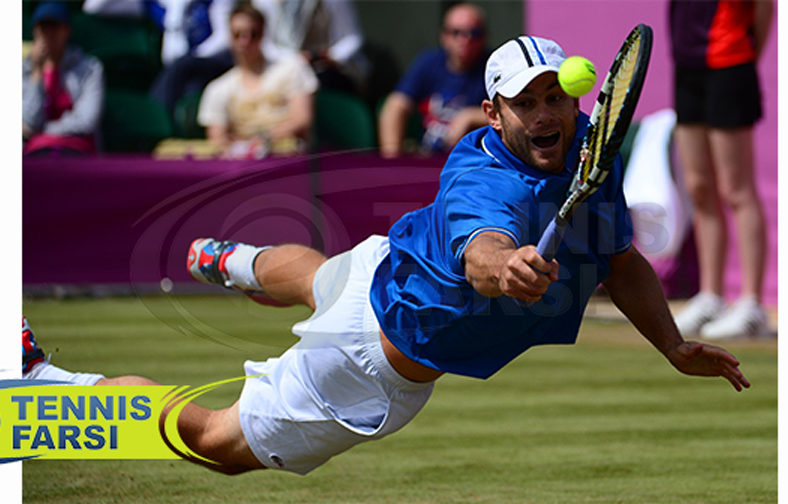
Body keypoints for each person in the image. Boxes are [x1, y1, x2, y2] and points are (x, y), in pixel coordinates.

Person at [23, 34, 750, 476]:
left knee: (321, 275)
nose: (543, 114)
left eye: (553, 98)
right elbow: (482, 251)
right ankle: (46, 382)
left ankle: (233, 260)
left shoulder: (590, 154)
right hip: (364, 360)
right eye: (523, 103)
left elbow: (621, 261)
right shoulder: (482, 179)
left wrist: (671, 343)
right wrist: (506, 269)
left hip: (380, 267)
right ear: (491, 113)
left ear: (574, 100)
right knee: (215, 440)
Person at [668, 0, 774, 340]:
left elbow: (764, 8)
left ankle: (751, 304)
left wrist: (747, 56)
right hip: (687, 64)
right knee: (699, 187)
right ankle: (710, 297)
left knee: (736, 189)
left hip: (731, 61)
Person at [196, 2, 319, 158]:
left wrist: (259, 140)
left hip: (290, 163)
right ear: (229, 37)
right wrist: (252, 145)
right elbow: (218, 140)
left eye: (253, 34)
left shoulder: (293, 68)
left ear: (263, 35)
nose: (245, 41)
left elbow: (302, 119)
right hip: (243, 167)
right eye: (237, 34)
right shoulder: (217, 88)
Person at [83, 0, 238, 117]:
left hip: (210, 66)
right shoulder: (156, 3)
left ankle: (155, 116)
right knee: (187, 89)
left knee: (187, 79)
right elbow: (94, 6)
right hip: (176, 72)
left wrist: (192, 58)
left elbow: (225, 39)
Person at [378, 2, 489, 158]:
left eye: (474, 33)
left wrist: (470, 116)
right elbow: (396, 105)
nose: (465, 39)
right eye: (456, 32)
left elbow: (510, 115)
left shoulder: (493, 67)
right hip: (427, 157)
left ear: (484, 37)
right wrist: (392, 160)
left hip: (472, 161)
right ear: (444, 36)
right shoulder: (429, 62)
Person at [23, 2, 105, 156]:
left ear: (66, 30)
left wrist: (42, 130)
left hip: (76, 149)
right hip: (35, 152)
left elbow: (86, 121)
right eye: (43, 27)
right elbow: (28, 120)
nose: (48, 33)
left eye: (54, 26)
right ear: (35, 31)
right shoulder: (24, 70)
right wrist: (37, 72)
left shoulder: (90, 68)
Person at [253, 0, 371, 95]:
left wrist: (333, 56)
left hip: (326, 71)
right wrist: (295, 59)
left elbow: (352, 37)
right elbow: (266, 45)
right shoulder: (264, 2)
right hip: (282, 69)